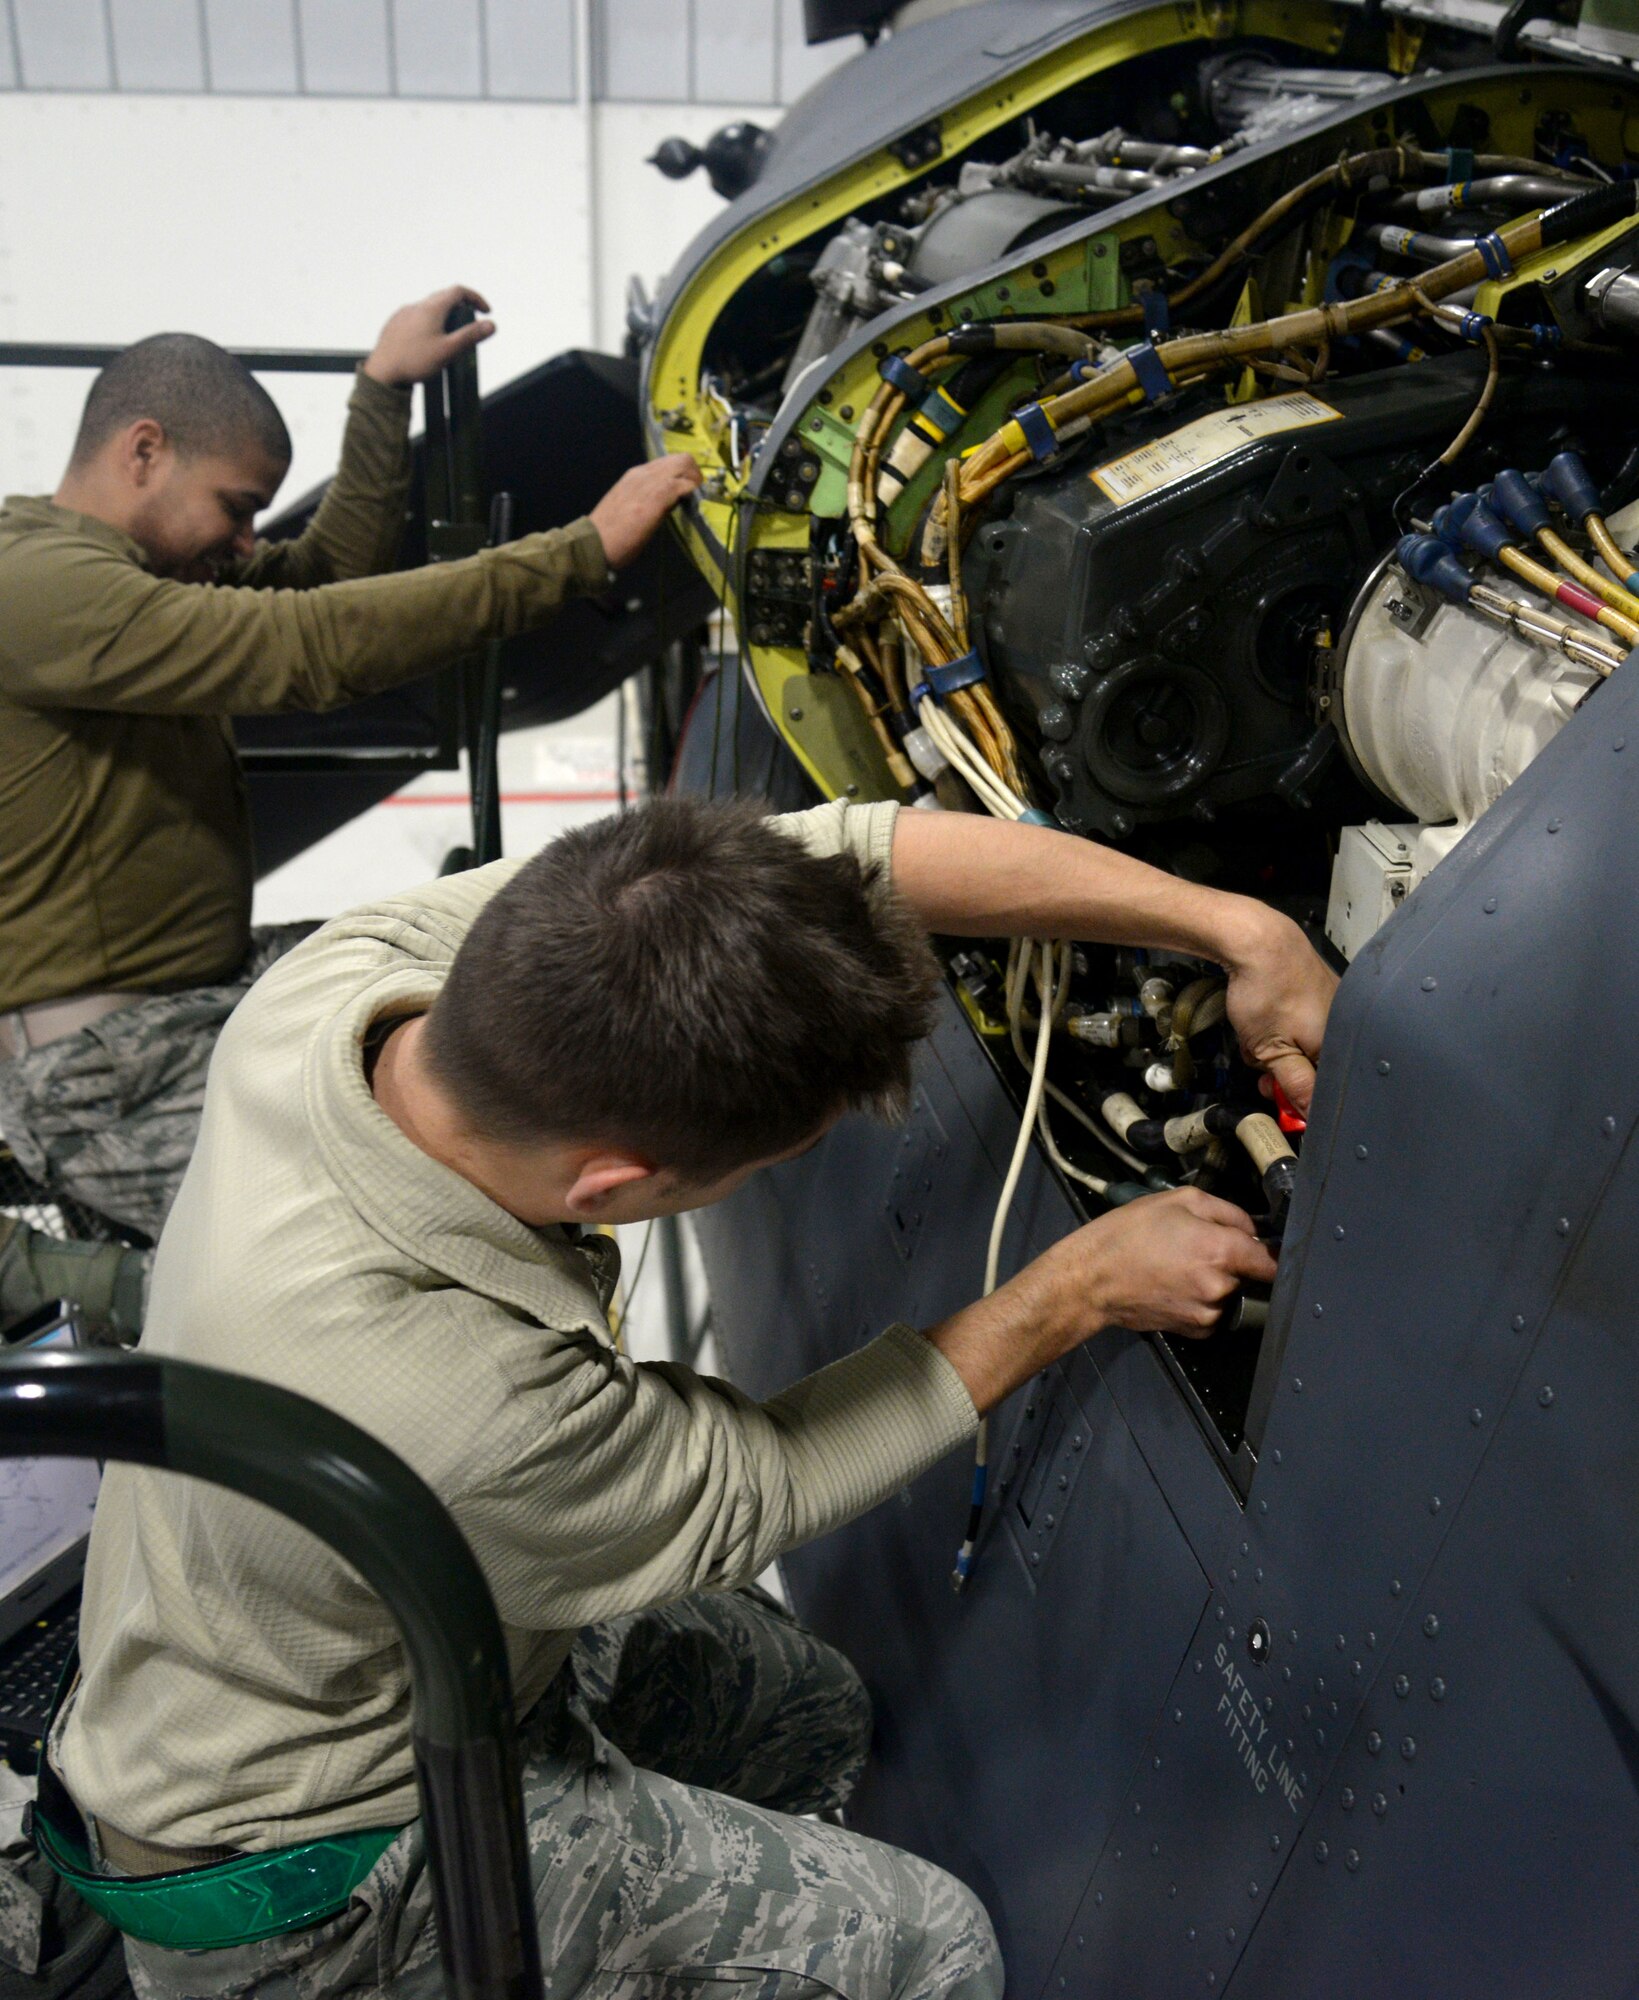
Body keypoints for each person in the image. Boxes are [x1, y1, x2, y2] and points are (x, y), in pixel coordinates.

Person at [49, 794, 1336, 2000]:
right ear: (610, 1188)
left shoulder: (344, 994)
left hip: (379, 1622)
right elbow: (768, 1475)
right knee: (923, 1948)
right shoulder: (460, 1400)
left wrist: (1237, 928)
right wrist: (1078, 1289)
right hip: (316, 1866)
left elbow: (861, 853)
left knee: (809, 1712)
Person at [0, 286, 699, 1337]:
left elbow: (324, 577)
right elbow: (311, 647)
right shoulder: (40, 585)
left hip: (195, 994)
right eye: (235, 507)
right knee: (424, 1242)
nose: (245, 541)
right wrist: (579, 553)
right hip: (106, 1064)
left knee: (470, 965)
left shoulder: (132, 572)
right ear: (143, 450)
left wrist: (381, 395)